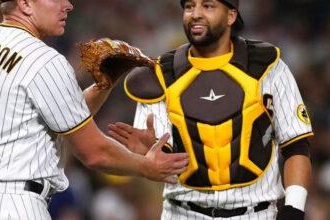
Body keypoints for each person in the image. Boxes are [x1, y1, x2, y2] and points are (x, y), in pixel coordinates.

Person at [0, 0, 190, 219]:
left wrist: (103, 84)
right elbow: (94, 152)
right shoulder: (42, 59)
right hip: (12, 203)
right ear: (25, 3)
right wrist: (146, 166)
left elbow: (59, 117)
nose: (68, 5)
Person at [109, 0, 314, 219]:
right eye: (189, 6)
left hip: (256, 212)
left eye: (207, 6)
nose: (195, 14)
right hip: (182, 212)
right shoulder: (160, 74)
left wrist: (294, 207)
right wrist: (148, 152)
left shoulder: (267, 66)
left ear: (231, 16)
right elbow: (159, 157)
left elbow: (296, 145)